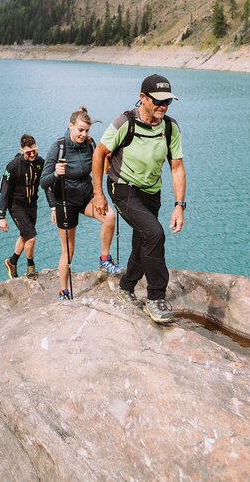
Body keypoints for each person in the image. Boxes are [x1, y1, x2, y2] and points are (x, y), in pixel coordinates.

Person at [91, 74, 186, 324]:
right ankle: (155, 298)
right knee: (155, 234)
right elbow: (99, 154)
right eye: (158, 101)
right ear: (143, 98)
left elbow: (177, 167)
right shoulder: (125, 123)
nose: (163, 106)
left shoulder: (170, 127)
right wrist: (98, 194)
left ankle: (126, 286)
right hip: (123, 188)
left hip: (152, 192)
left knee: (143, 240)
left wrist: (179, 206)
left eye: (168, 102)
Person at [40, 107, 120, 301]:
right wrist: (56, 173)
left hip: (86, 197)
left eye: (86, 130)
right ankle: (63, 291)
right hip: (65, 202)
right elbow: (43, 182)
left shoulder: (90, 144)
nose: (83, 134)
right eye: (80, 130)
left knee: (110, 217)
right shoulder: (58, 147)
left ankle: (104, 259)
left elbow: (99, 165)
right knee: (68, 251)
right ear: (71, 126)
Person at [0, 134, 43, 280]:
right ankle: (31, 269)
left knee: (25, 235)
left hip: (32, 205)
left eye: (34, 151)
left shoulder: (40, 162)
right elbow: (4, 191)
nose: (32, 155)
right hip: (16, 206)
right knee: (31, 237)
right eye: (29, 152)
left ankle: (12, 262)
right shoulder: (13, 166)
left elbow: (47, 181)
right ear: (22, 150)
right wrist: (1, 216)